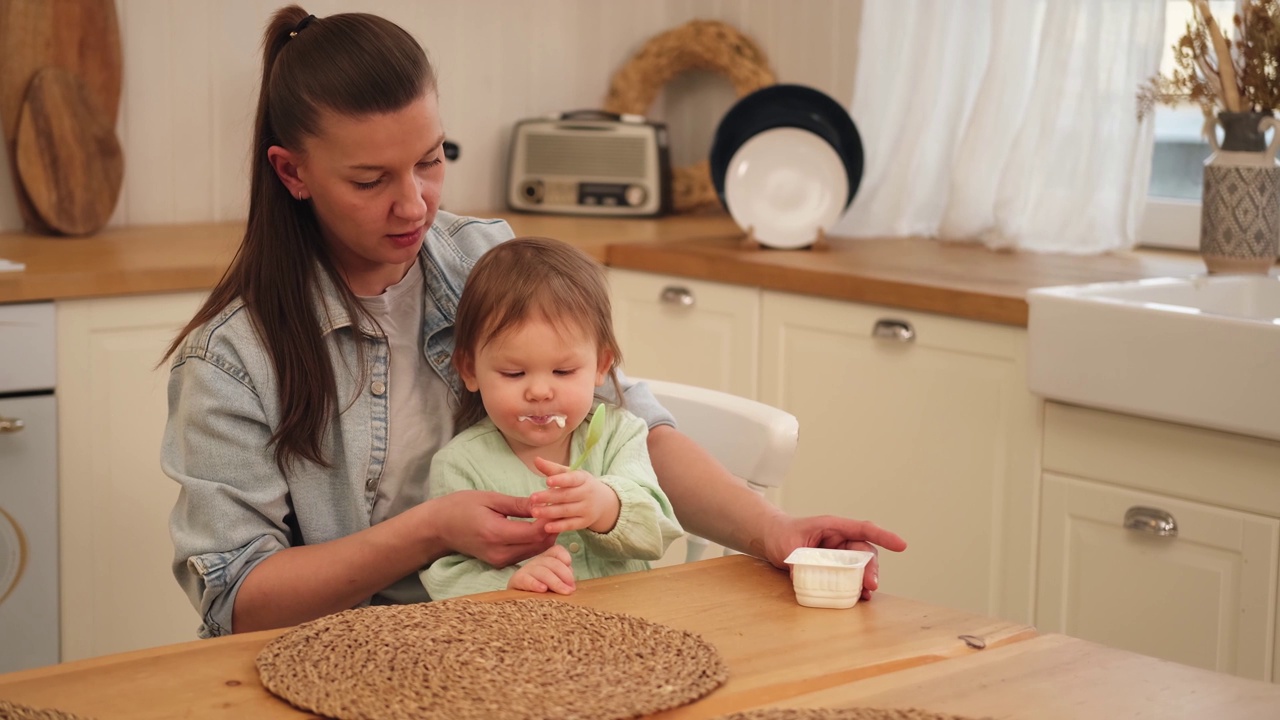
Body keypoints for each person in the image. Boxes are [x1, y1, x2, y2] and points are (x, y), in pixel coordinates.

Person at [162, 5, 907, 639]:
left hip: (513, 640)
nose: (415, 204)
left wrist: (772, 531)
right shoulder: (232, 358)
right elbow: (238, 600)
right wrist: (431, 529)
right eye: (370, 180)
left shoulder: (483, 259)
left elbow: (627, 420)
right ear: (292, 172)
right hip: (339, 659)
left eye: (429, 160)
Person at [420, 237, 683, 600]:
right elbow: (447, 577)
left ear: (601, 367)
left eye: (563, 371)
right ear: (470, 370)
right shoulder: (460, 465)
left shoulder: (618, 435)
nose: (540, 392)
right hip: (524, 643)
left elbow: (658, 530)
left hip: (628, 627)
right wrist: (510, 584)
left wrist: (604, 505)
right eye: (514, 374)